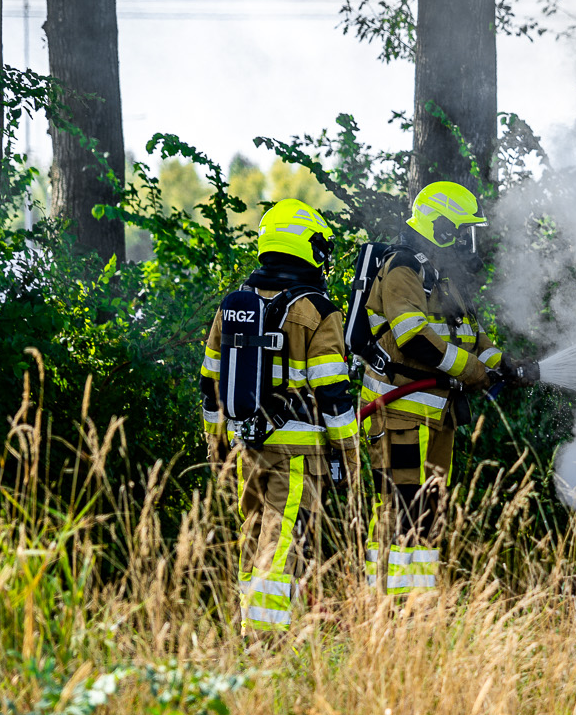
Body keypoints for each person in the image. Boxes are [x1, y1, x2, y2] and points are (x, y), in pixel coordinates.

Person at [200, 199, 362, 629]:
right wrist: (351, 457)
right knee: (281, 543)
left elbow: (209, 384)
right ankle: (267, 645)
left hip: (244, 444)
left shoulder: (233, 305)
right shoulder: (318, 312)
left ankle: (248, 629)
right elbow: (333, 394)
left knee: (252, 537)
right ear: (306, 247)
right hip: (298, 454)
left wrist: (216, 445)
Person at [355, 180, 507, 594]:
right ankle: (384, 604)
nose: (465, 241)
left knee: (429, 511)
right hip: (400, 413)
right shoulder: (403, 268)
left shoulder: (440, 276)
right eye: (461, 230)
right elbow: (413, 337)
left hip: (436, 417)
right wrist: (475, 372)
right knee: (399, 507)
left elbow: (472, 335)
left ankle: (417, 605)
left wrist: (503, 365)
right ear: (439, 226)